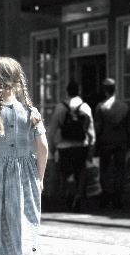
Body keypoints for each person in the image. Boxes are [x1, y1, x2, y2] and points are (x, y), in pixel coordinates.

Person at [0, 56, 49, 255]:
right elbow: (43, 148)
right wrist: (39, 178)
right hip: (26, 179)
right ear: (16, 83)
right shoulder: (32, 113)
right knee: (23, 225)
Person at [47, 80, 95, 212]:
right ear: (79, 91)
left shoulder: (60, 107)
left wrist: (52, 147)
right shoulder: (85, 107)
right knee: (81, 171)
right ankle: (79, 194)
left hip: (64, 146)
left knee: (66, 172)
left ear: (67, 91)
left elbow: (52, 129)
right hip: (81, 145)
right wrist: (91, 146)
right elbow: (90, 130)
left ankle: (70, 191)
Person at [94, 78, 130, 209]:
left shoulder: (100, 107)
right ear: (115, 89)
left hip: (105, 143)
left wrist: (95, 143)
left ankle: (105, 195)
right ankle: (118, 197)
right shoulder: (124, 107)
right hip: (121, 143)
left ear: (105, 90)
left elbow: (98, 128)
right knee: (120, 170)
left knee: (104, 170)